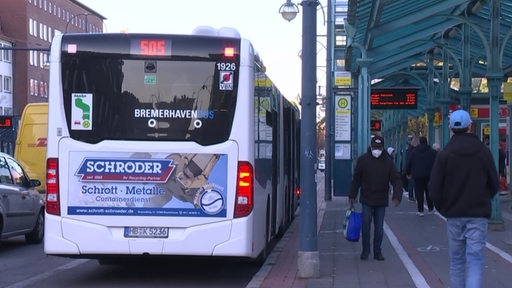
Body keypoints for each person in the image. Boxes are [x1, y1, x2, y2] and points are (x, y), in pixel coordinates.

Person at [429, 109, 499, 288]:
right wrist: (484, 199)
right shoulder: (484, 152)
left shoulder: (444, 154)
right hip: (478, 214)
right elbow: (494, 183)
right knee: (475, 259)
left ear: (451, 128)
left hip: (454, 214)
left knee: (457, 261)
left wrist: (444, 208)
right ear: (470, 127)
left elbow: (434, 188)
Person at [349, 135, 402, 261]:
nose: (377, 150)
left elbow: (396, 178)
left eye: (379, 147)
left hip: (381, 200)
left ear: (383, 147)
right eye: (375, 147)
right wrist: (352, 195)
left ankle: (377, 251)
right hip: (366, 199)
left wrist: (397, 196)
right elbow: (356, 179)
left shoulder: (388, 161)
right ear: (371, 146)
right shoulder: (363, 160)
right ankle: (366, 250)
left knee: (379, 228)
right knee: (366, 225)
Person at [406, 136, 436, 216]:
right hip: (429, 174)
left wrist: (408, 172)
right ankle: (431, 208)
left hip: (418, 175)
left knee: (419, 193)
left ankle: (421, 210)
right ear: (426, 142)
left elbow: (409, 162)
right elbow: (437, 163)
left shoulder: (414, 151)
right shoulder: (432, 152)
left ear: (419, 142)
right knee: (429, 191)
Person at [404, 137, 416, 201]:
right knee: (413, 183)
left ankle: (411, 196)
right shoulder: (414, 149)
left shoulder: (408, 150)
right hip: (414, 169)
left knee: (412, 183)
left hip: (411, 169)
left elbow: (407, 161)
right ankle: (412, 196)